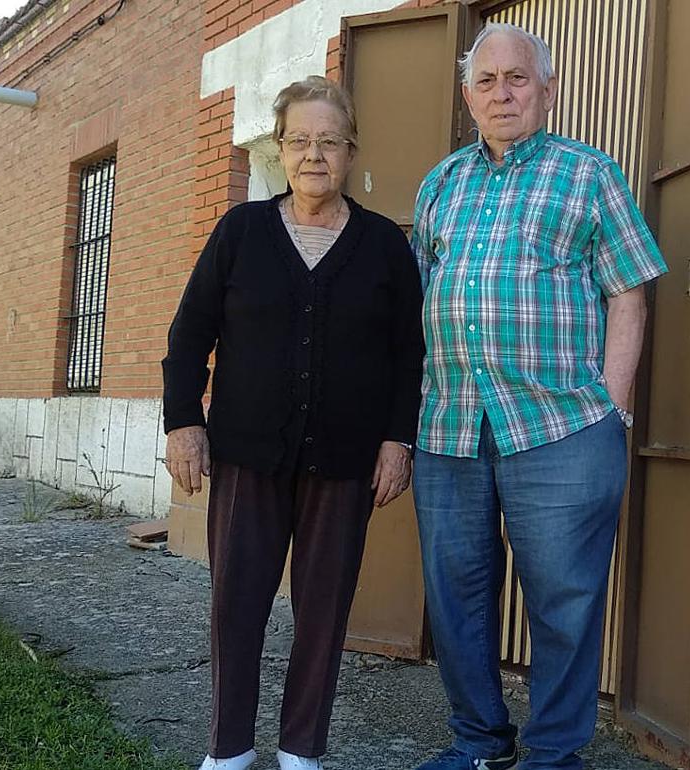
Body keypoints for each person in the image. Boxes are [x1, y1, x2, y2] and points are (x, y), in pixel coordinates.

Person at [410, 23, 667, 770]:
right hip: (451, 426)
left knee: (565, 603)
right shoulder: (441, 184)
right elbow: (422, 297)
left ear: (547, 89)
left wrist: (613, 409)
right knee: (456, 598)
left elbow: (630, 294)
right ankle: (480, 743)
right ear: (467, 96)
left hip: (560, 427)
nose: (502, 93)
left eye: (517, 78)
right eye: (486, 81)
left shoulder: (589, 174)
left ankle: (553, 755)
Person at [161, 75, 424, 770]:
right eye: (300, 139)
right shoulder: (242, 230)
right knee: (236, 604)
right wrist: (183, 422)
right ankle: (230, 748)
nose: (314, 154)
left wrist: (400, 440)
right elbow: (190, 334)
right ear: (279, 148)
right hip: (247, 452)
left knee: (324, 609)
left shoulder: (383, 246)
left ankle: (302, 748)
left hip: (346, 462)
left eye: (329, 141)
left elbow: (407, 355)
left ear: (351, 151)